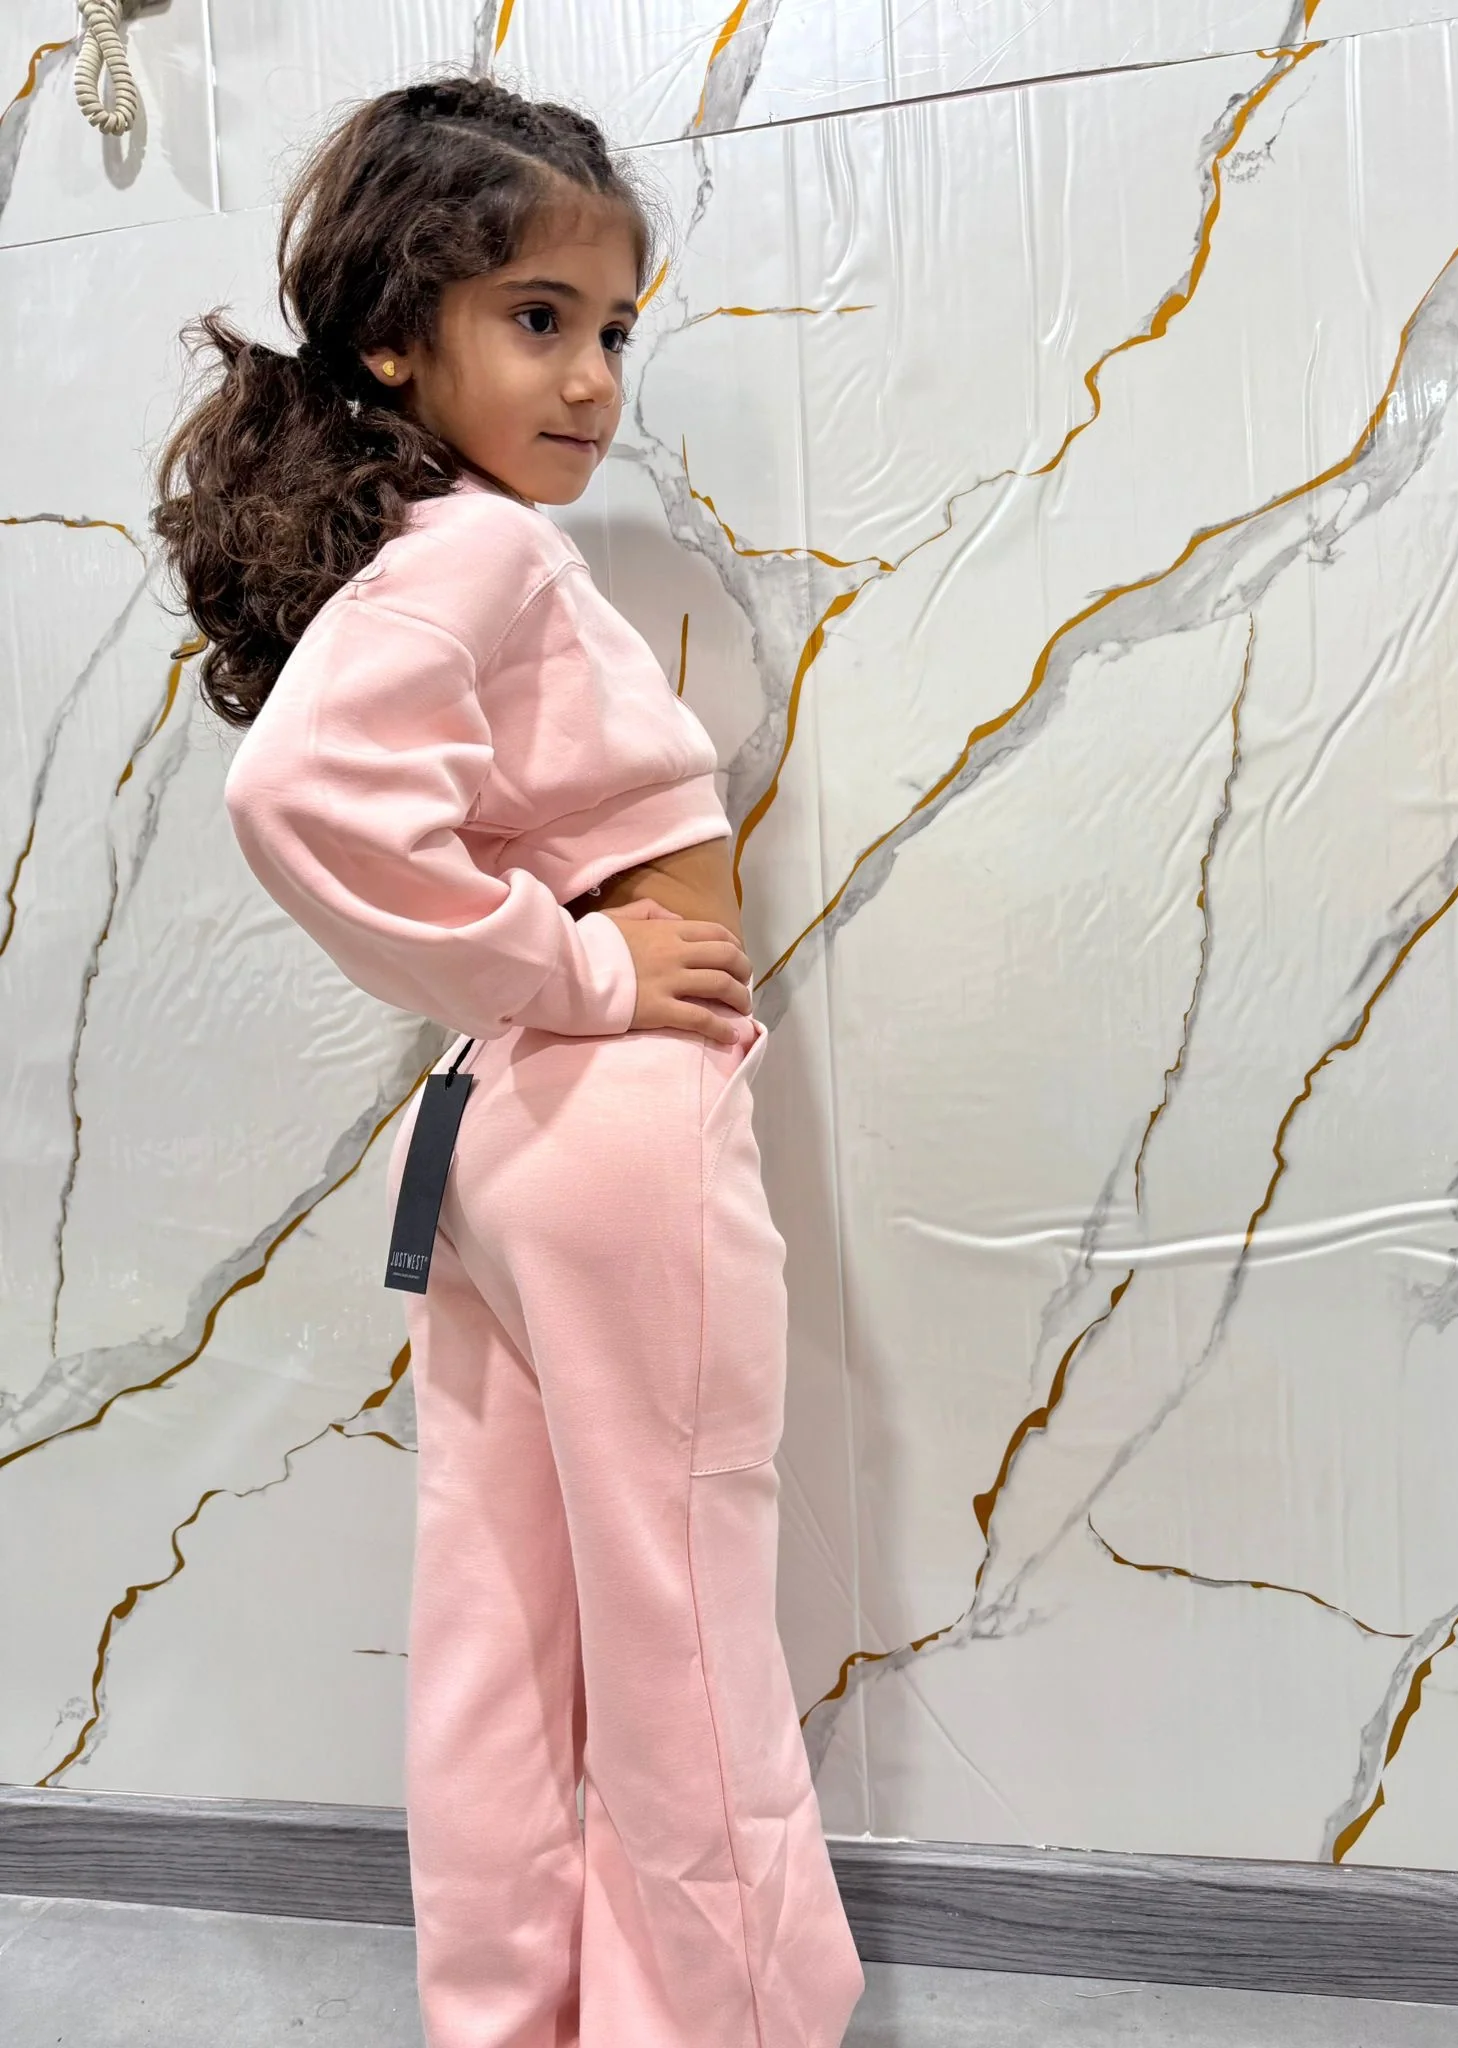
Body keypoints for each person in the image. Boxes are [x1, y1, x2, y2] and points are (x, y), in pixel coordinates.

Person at [152, 76, 865, 2048]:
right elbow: (300, 797)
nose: (593, 379)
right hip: (612, 1125)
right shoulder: (488, 556)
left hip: (503, 1130)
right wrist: (587, 967)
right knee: (682, 1624)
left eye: (614, 327)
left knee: (498, 1623)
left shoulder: (418, 548)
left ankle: (511, 2015)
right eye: (537, 318)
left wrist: (548, 984)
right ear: (397, 333)